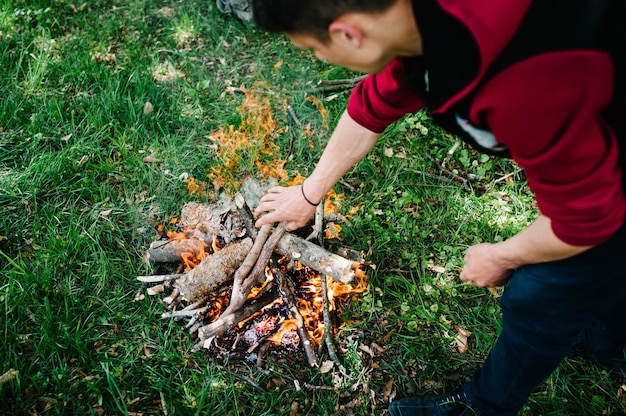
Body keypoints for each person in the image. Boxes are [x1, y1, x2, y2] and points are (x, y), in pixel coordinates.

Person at [250, 0, 626, 415]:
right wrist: (309, 192)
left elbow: (584, 220)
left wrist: (500, 255)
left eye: (312, 48)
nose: (318, 57)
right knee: (591, 285)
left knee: (538, 296)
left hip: (604, 184)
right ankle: (607, 340)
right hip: (593, 149)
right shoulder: (423, 21)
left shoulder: (517, 82)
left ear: (347, 34)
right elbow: (374, 103)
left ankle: (484, 406)